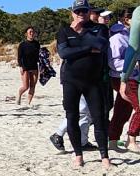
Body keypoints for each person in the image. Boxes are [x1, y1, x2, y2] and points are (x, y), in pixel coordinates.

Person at [57, 0, 112, 167]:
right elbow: (64, 53)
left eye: (84, 11)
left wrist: (82, 33)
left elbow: (101, 45)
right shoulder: (64, 31)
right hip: (71, 81)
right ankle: (78, 155)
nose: (81, 14)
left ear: (89, 12)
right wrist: (88, 49)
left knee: (99, 118)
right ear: (72, 13)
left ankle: (105, 157)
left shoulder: (99, 28)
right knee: (72, 117)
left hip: (93, 81)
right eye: (78, 11)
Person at [108, 10, 132, 148]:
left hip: (131, 75)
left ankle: (113, 138)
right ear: (127, 19)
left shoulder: (131, 35)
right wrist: (133, 64)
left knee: (124, 108)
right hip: (120, 77)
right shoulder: (117, 37)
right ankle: (130, 138)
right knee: (129, 107)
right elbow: (113, 62)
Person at [17, 27, 41, 105]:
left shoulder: (37, 44)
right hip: (25, 67)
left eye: (33, 32)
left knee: (32, 86)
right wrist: (20, 66)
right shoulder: (22, 45)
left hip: (34, 66)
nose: (32, 33)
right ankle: (19, 95)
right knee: (25, 86)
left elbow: (39, 56)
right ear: (26, 34)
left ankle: (28, 103)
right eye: (30, 32)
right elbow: (19, 57)